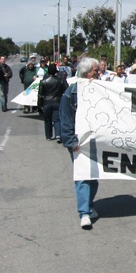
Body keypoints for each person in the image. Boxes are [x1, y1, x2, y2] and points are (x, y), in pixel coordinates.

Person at [60, 57, 100, 229]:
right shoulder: (71, 93)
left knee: (95, 176)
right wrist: (70, 141)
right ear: (86, 73)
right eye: (96, 71)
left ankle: (89, 205)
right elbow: (65, 119)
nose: (99, 73)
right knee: (83, 175)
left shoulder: (101, 90)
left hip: (97, 142)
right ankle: (84, 212)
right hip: (79, 143)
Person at [38, 63, 68, 142]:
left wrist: (39, 104)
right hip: (57, 101)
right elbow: (65, 90)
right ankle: (58, 135)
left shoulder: (43, 81)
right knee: (57, 119)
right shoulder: (60, 80)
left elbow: (40, 94)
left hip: (46, 102)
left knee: (47, 120)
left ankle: (48, 136)